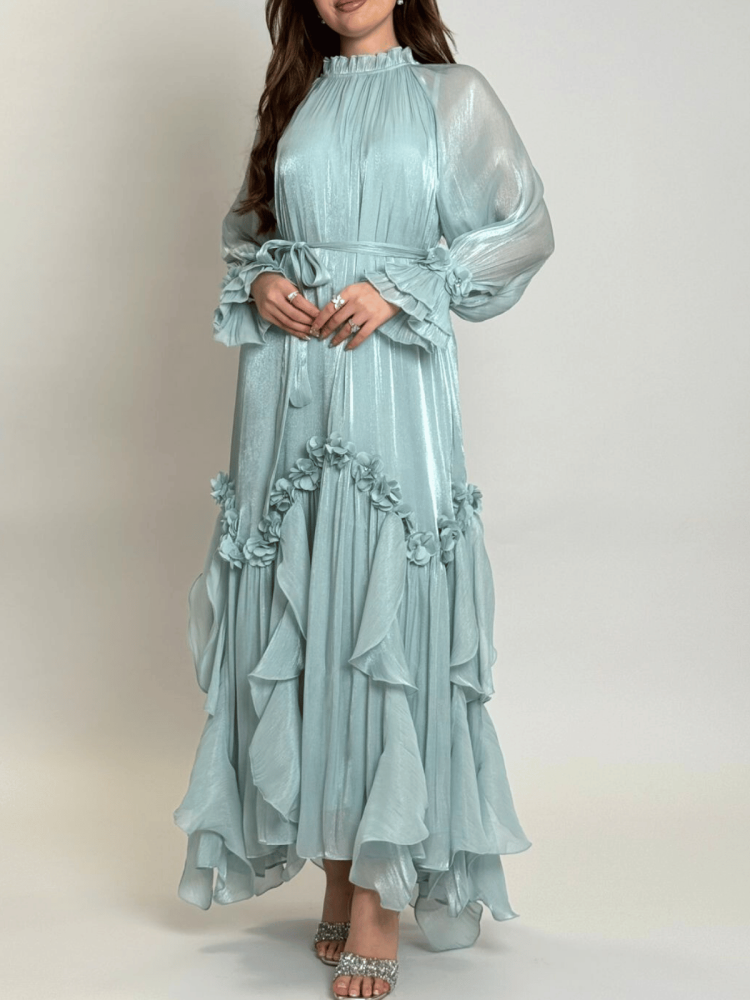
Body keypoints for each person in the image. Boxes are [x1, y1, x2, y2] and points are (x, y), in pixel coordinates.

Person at [173, 1, 554, 997]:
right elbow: (248, 236)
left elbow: (522, 228)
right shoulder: (294, 98)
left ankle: (382, 896)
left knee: (384, 622)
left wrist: (403, 287)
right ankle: (340, 874)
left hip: (392, 382)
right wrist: (263, 282)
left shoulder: (451, 97)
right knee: (306, 617)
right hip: (287, 388)